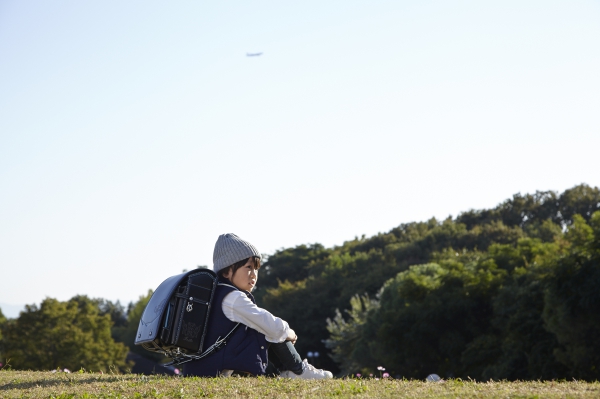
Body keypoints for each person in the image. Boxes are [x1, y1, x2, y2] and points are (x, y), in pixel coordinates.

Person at [183, 233, 333, 379]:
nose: (254, 274)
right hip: (211, 369)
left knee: (263, 326)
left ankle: (288, 370)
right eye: (248, 267)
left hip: (201, 366)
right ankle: (298, 370)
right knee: (266, 327)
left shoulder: (217, 293)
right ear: (227, 271)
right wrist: (289, 332)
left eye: (256, 268)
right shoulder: (233, 297)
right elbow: (269, 324)